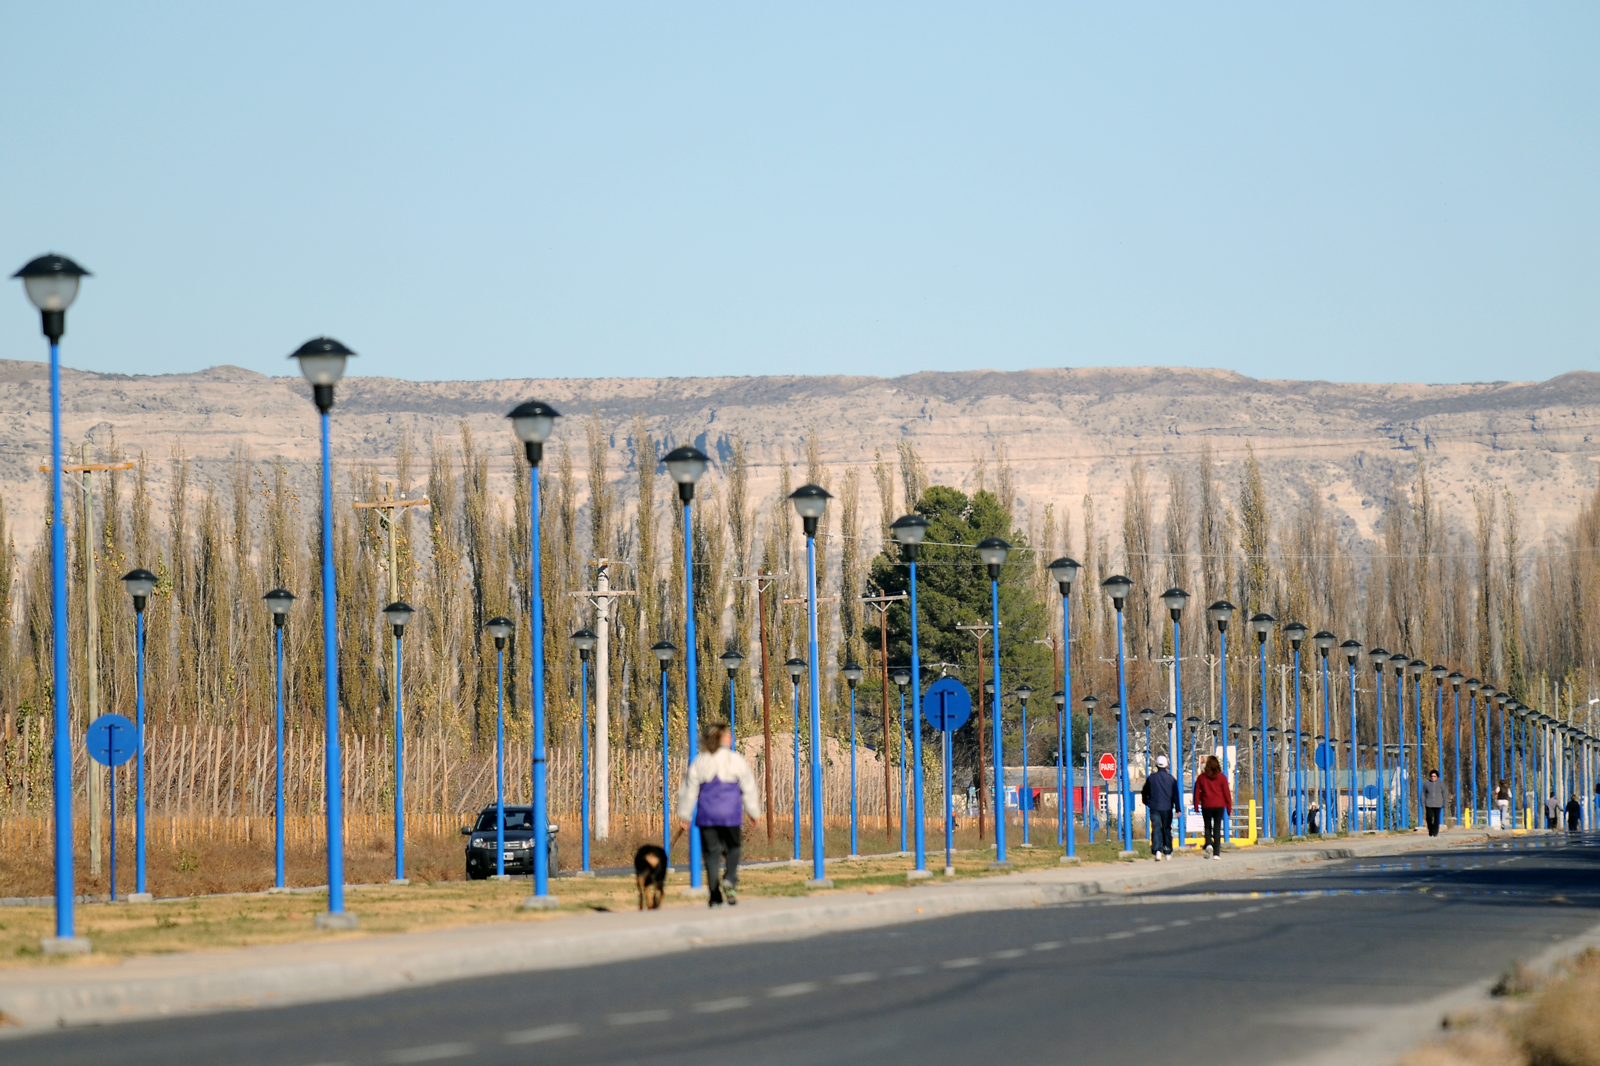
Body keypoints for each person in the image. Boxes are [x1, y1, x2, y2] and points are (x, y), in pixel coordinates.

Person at [675, 720, 761, 906]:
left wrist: (685, 815)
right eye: (728, 735)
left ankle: (714, 895)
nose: (731, 738)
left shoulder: (700, 761)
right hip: (730, 815)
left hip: (707, 815)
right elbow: (748, 787)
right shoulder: (735, 760)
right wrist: (753, 812)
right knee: (733, 848)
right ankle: (729, 878)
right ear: (721, 738)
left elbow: (689, 790)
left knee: (711, 853)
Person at [1192, 754, 1232, 858]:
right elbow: (1227, 794)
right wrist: (1229, 808)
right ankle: (1216, 854)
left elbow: (1197, 792)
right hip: (1219, 805)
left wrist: (1196, 805)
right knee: (1217, 828)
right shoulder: (1222, 778)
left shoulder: (1202, 778)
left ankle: (1209, 843)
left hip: (1206, 805)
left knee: (1207, 826)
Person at [1141, 755, 1179, 860]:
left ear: (1156, 765)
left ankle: (1157, 850)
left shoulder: (1151, 778)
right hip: (1167, 807)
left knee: (1156, 828)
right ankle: (1167, 851)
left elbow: (1144, 792)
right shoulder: (1171, 779)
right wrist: (1178, 809)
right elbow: (1175, 795)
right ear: (1166, 765)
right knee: (1166, 828)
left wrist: (1147, 802)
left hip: (1154, 807)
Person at [1422, 769, 1447, 837]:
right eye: (1431, 776)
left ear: (1437, 777)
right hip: (1429, 804)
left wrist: (1445, 804)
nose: (1433, 777)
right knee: (1429, 817)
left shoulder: (1441, 784)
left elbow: (1444, 794)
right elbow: (1423, 793)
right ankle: (1430, 829)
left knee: (1436, 818)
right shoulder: (1426, 783)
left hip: (1438, 804)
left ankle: (1435, 832)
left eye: (1434, 776)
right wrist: (1423, 802)